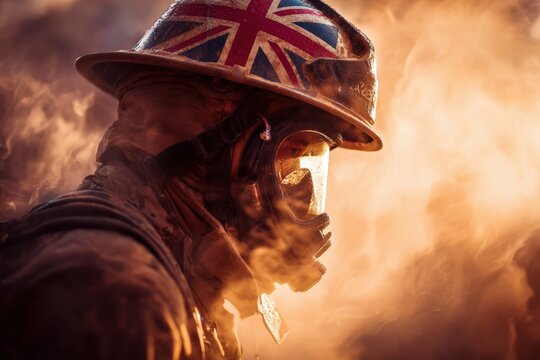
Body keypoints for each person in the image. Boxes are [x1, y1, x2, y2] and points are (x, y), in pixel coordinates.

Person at [0, 0, 382, 359]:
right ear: (212, 138)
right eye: (291, 154)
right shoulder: (115, 293)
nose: (301, 193)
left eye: (307, 162)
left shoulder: (162, 272)